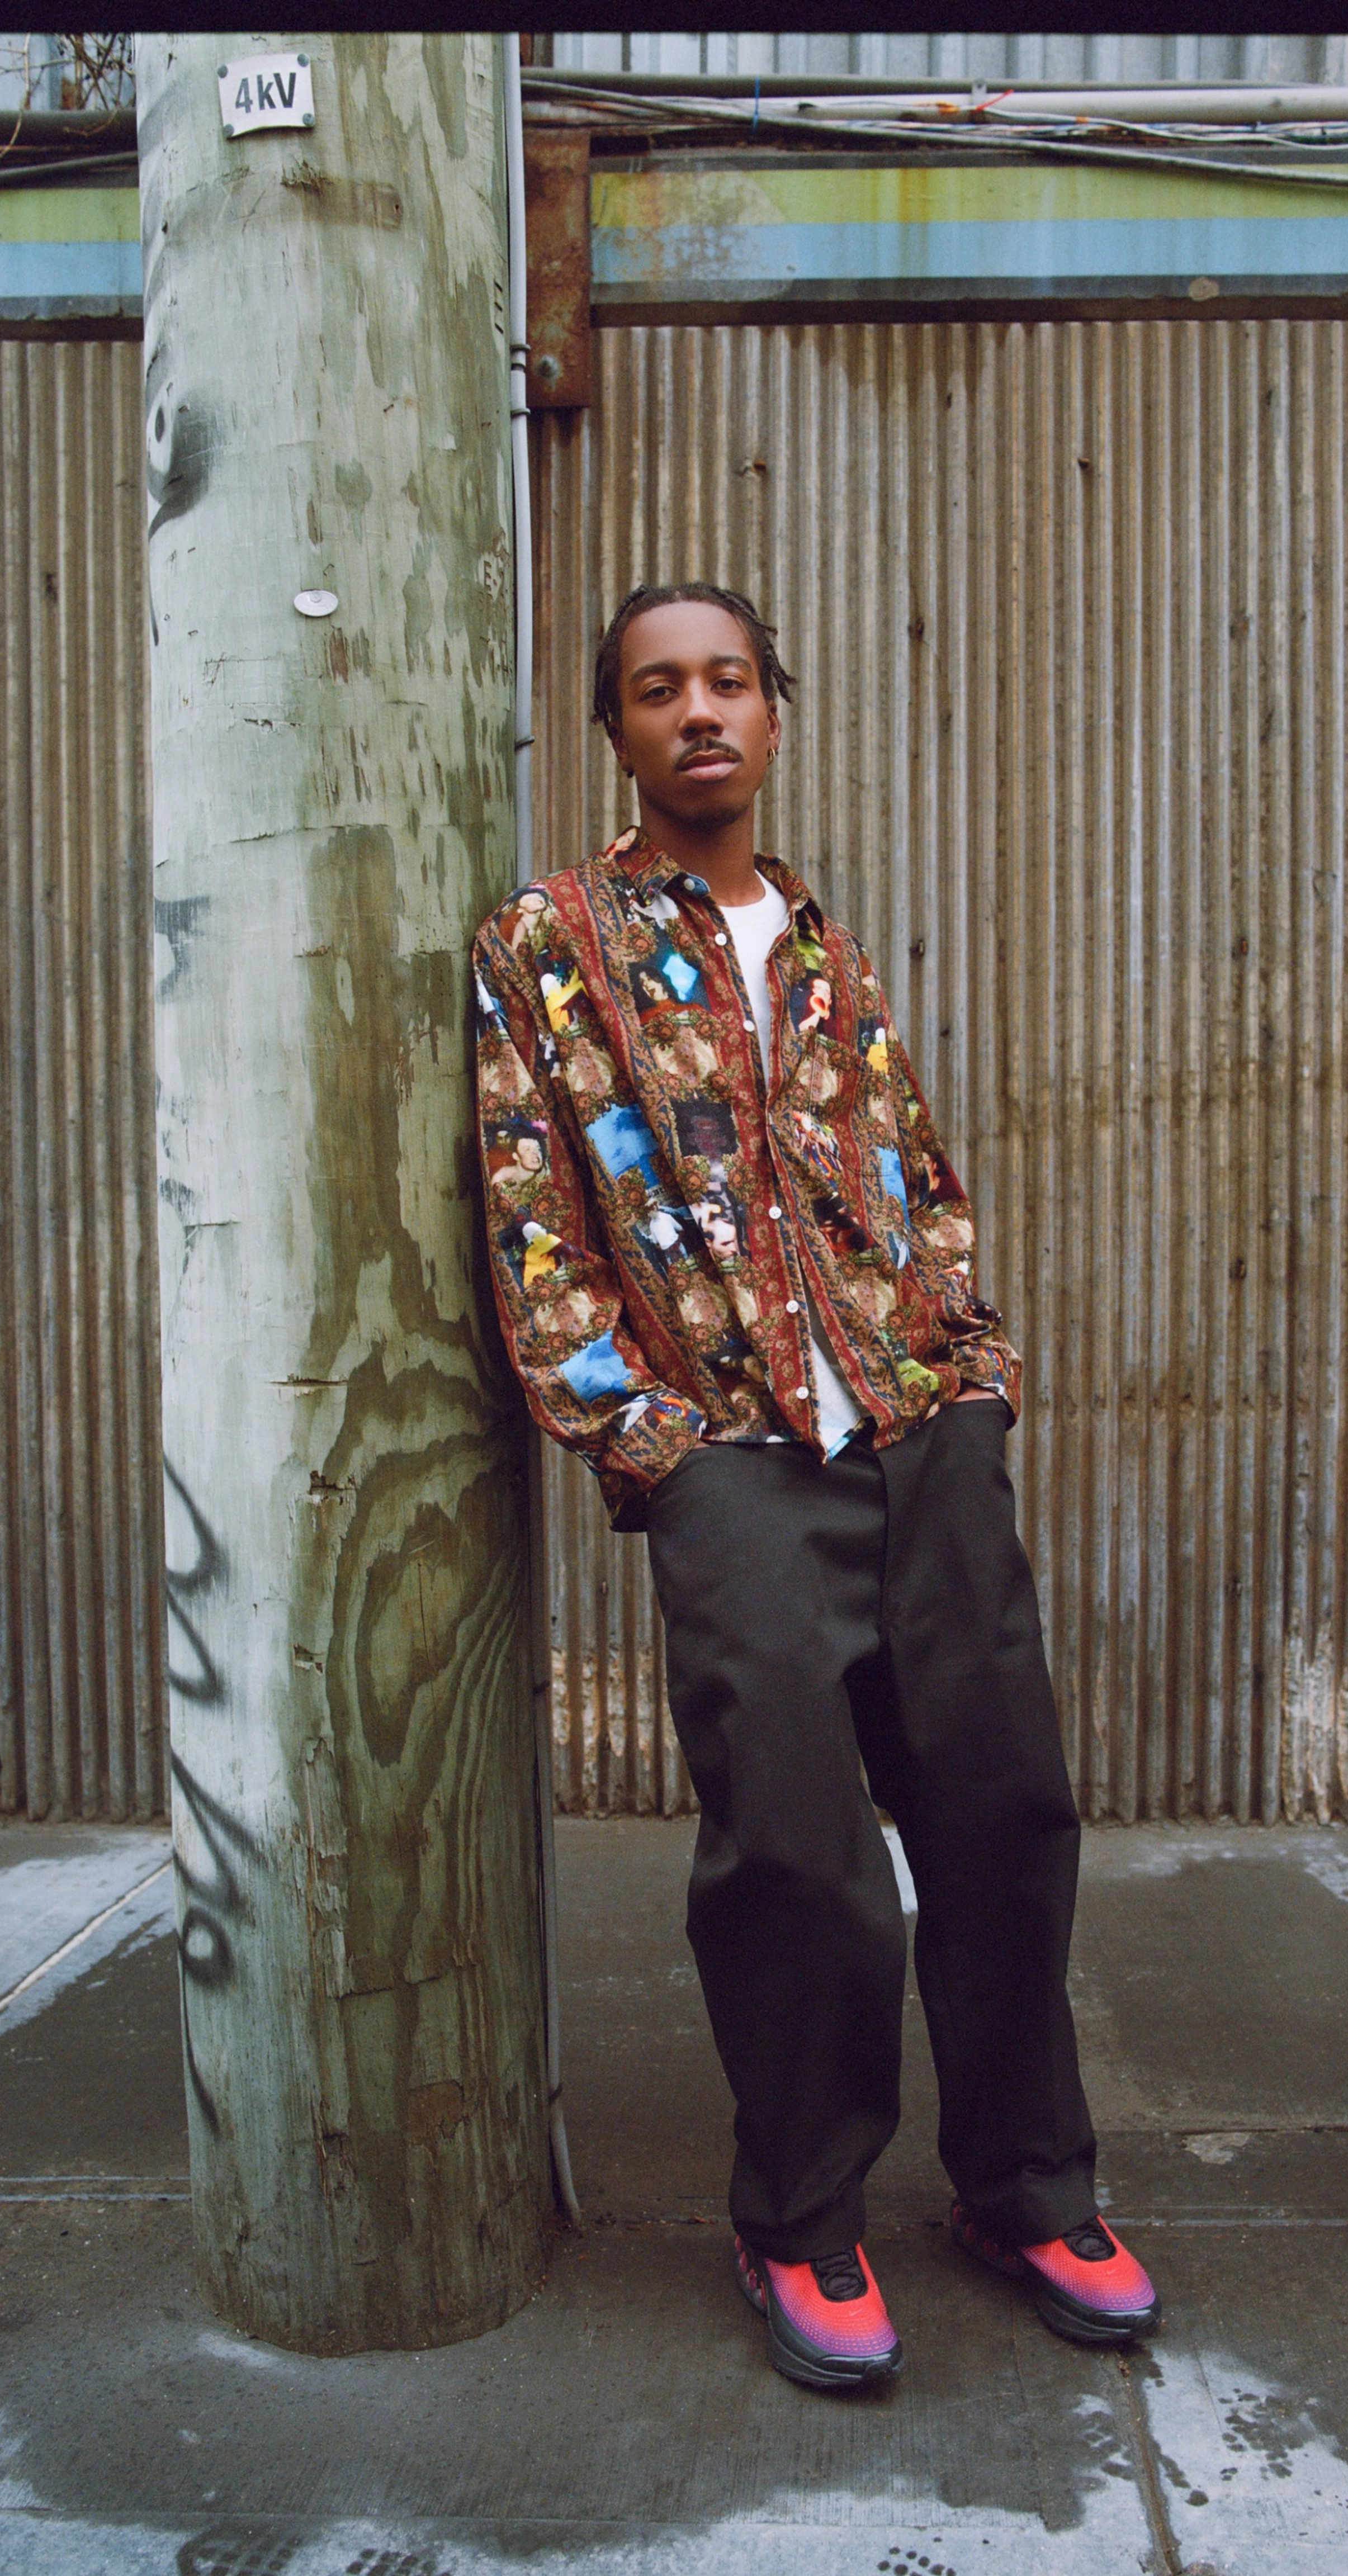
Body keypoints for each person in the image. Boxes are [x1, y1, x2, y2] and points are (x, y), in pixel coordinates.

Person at [471, 580, 1158, 2394]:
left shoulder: (835, 953)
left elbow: (922, 1179)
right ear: (615, 731)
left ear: (777, 712)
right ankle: (803, 2217)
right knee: (795, 1852)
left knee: (1004, 1813)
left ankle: (1025, 2182)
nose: (698, 712)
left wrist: (981, 1381)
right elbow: (539, 1229)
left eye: (727, 682)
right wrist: (657, 1453)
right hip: (733, 1461)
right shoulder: (549, 945)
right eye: (654, 689)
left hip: (919, 1432)